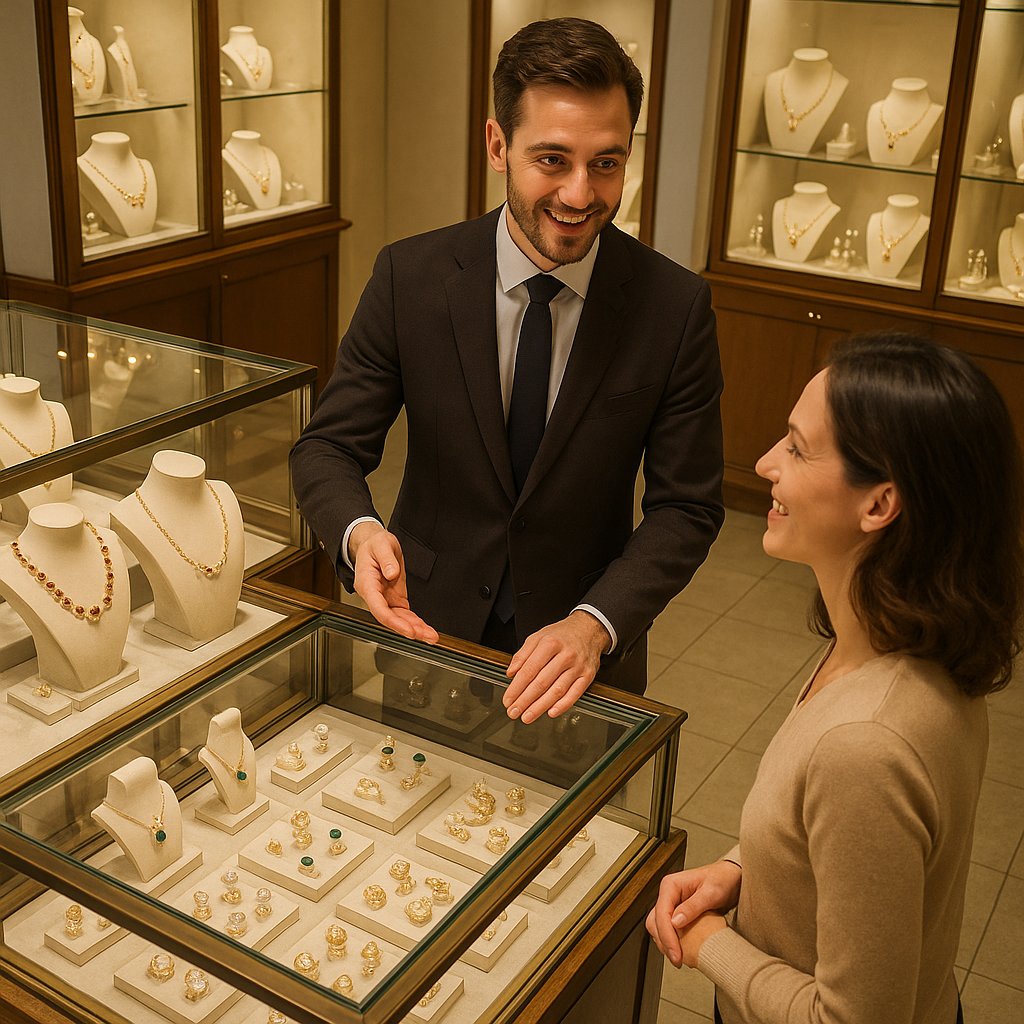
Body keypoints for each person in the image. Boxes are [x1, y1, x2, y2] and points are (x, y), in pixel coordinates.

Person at [290, 18, 724, 719]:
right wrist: (359, 533)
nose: (580, 195)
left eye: (606, 163)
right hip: (426, 633)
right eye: (552, 159)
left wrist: (596, 624)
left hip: (582, 667)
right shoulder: (409, 277)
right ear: (498, 145)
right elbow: (328, 447)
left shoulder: (674, 307)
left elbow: (687, 506)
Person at [646, 332, 1023, 1024]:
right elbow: (841, 848)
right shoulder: (906, 649)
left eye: (796, 448)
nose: (766, 463)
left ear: (879, 504)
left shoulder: (865, 745)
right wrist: (740, 871)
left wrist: (710, 946)